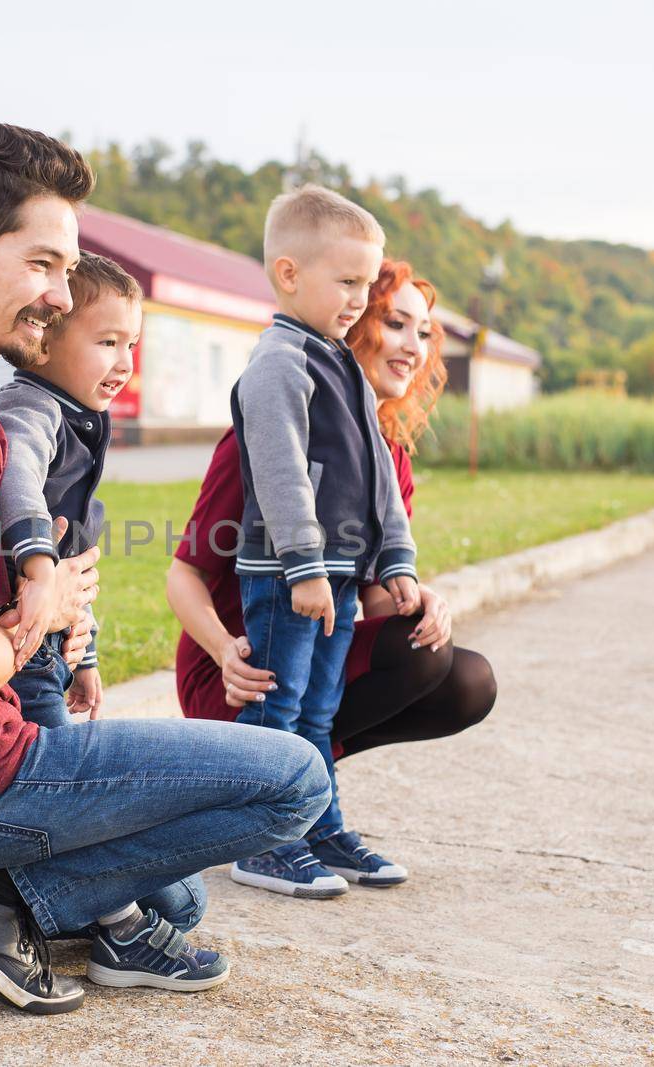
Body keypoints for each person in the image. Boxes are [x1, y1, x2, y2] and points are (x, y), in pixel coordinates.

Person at [0, 122, 331, 1016]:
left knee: (179, 897)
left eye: (67, 270)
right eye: (41, 265)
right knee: (297, 779)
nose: (58, 294)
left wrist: (51, 621)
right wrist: (47, 602)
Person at [167, 257, 497, 889]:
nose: (413, 346)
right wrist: (223, 651)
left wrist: (419, 597)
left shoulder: (390, 459)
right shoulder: (272, 437)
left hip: (320, 650)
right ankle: (259, 817)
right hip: (242, 670)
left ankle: (312, 811)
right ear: (351, 324)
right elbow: (183, 574)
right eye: (395, 323)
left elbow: (364, 596)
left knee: (462, 676)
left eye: (423, 333)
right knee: (348, 673)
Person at [226, 186, 421, 899]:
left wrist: (396, 558)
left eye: (365, 284)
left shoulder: (343, 365)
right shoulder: (279, 361)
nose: (358, 299)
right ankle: (261, 841)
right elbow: (280, 475)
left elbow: (376, 480)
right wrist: (304, 567)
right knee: (278, 709)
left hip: (336, 575)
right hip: (287, 576)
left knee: (317, 711)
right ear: (288, 273)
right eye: (346, 282)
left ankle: (317, 824)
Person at [0, 251, 140, 726]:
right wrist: (39, 569)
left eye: (131, 344)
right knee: (50, 764)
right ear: (44, 343)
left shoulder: (81, 418)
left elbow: (74, 549)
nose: (124, 363)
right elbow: (18, 475)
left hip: (55, 631)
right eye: (108, 342)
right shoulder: (30, 407)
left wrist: (86, 653)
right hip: (23, 626)